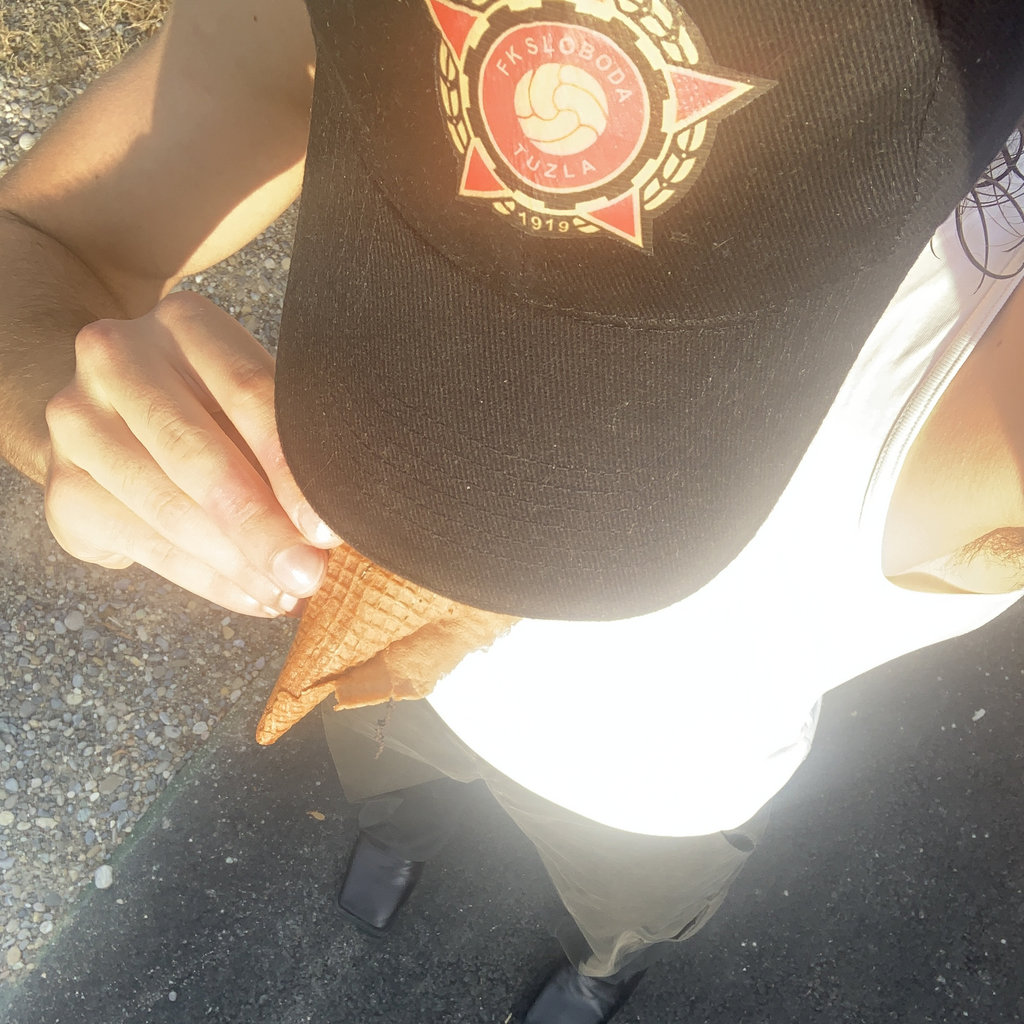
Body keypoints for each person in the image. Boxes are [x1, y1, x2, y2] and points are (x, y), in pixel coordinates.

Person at [1, 1, 1023, 1021]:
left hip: (648, 790)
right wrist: (68, 418)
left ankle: (597, 973)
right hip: (401, 685)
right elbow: (38, 238)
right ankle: (402, 840)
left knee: (623, 915)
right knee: (392, 792)